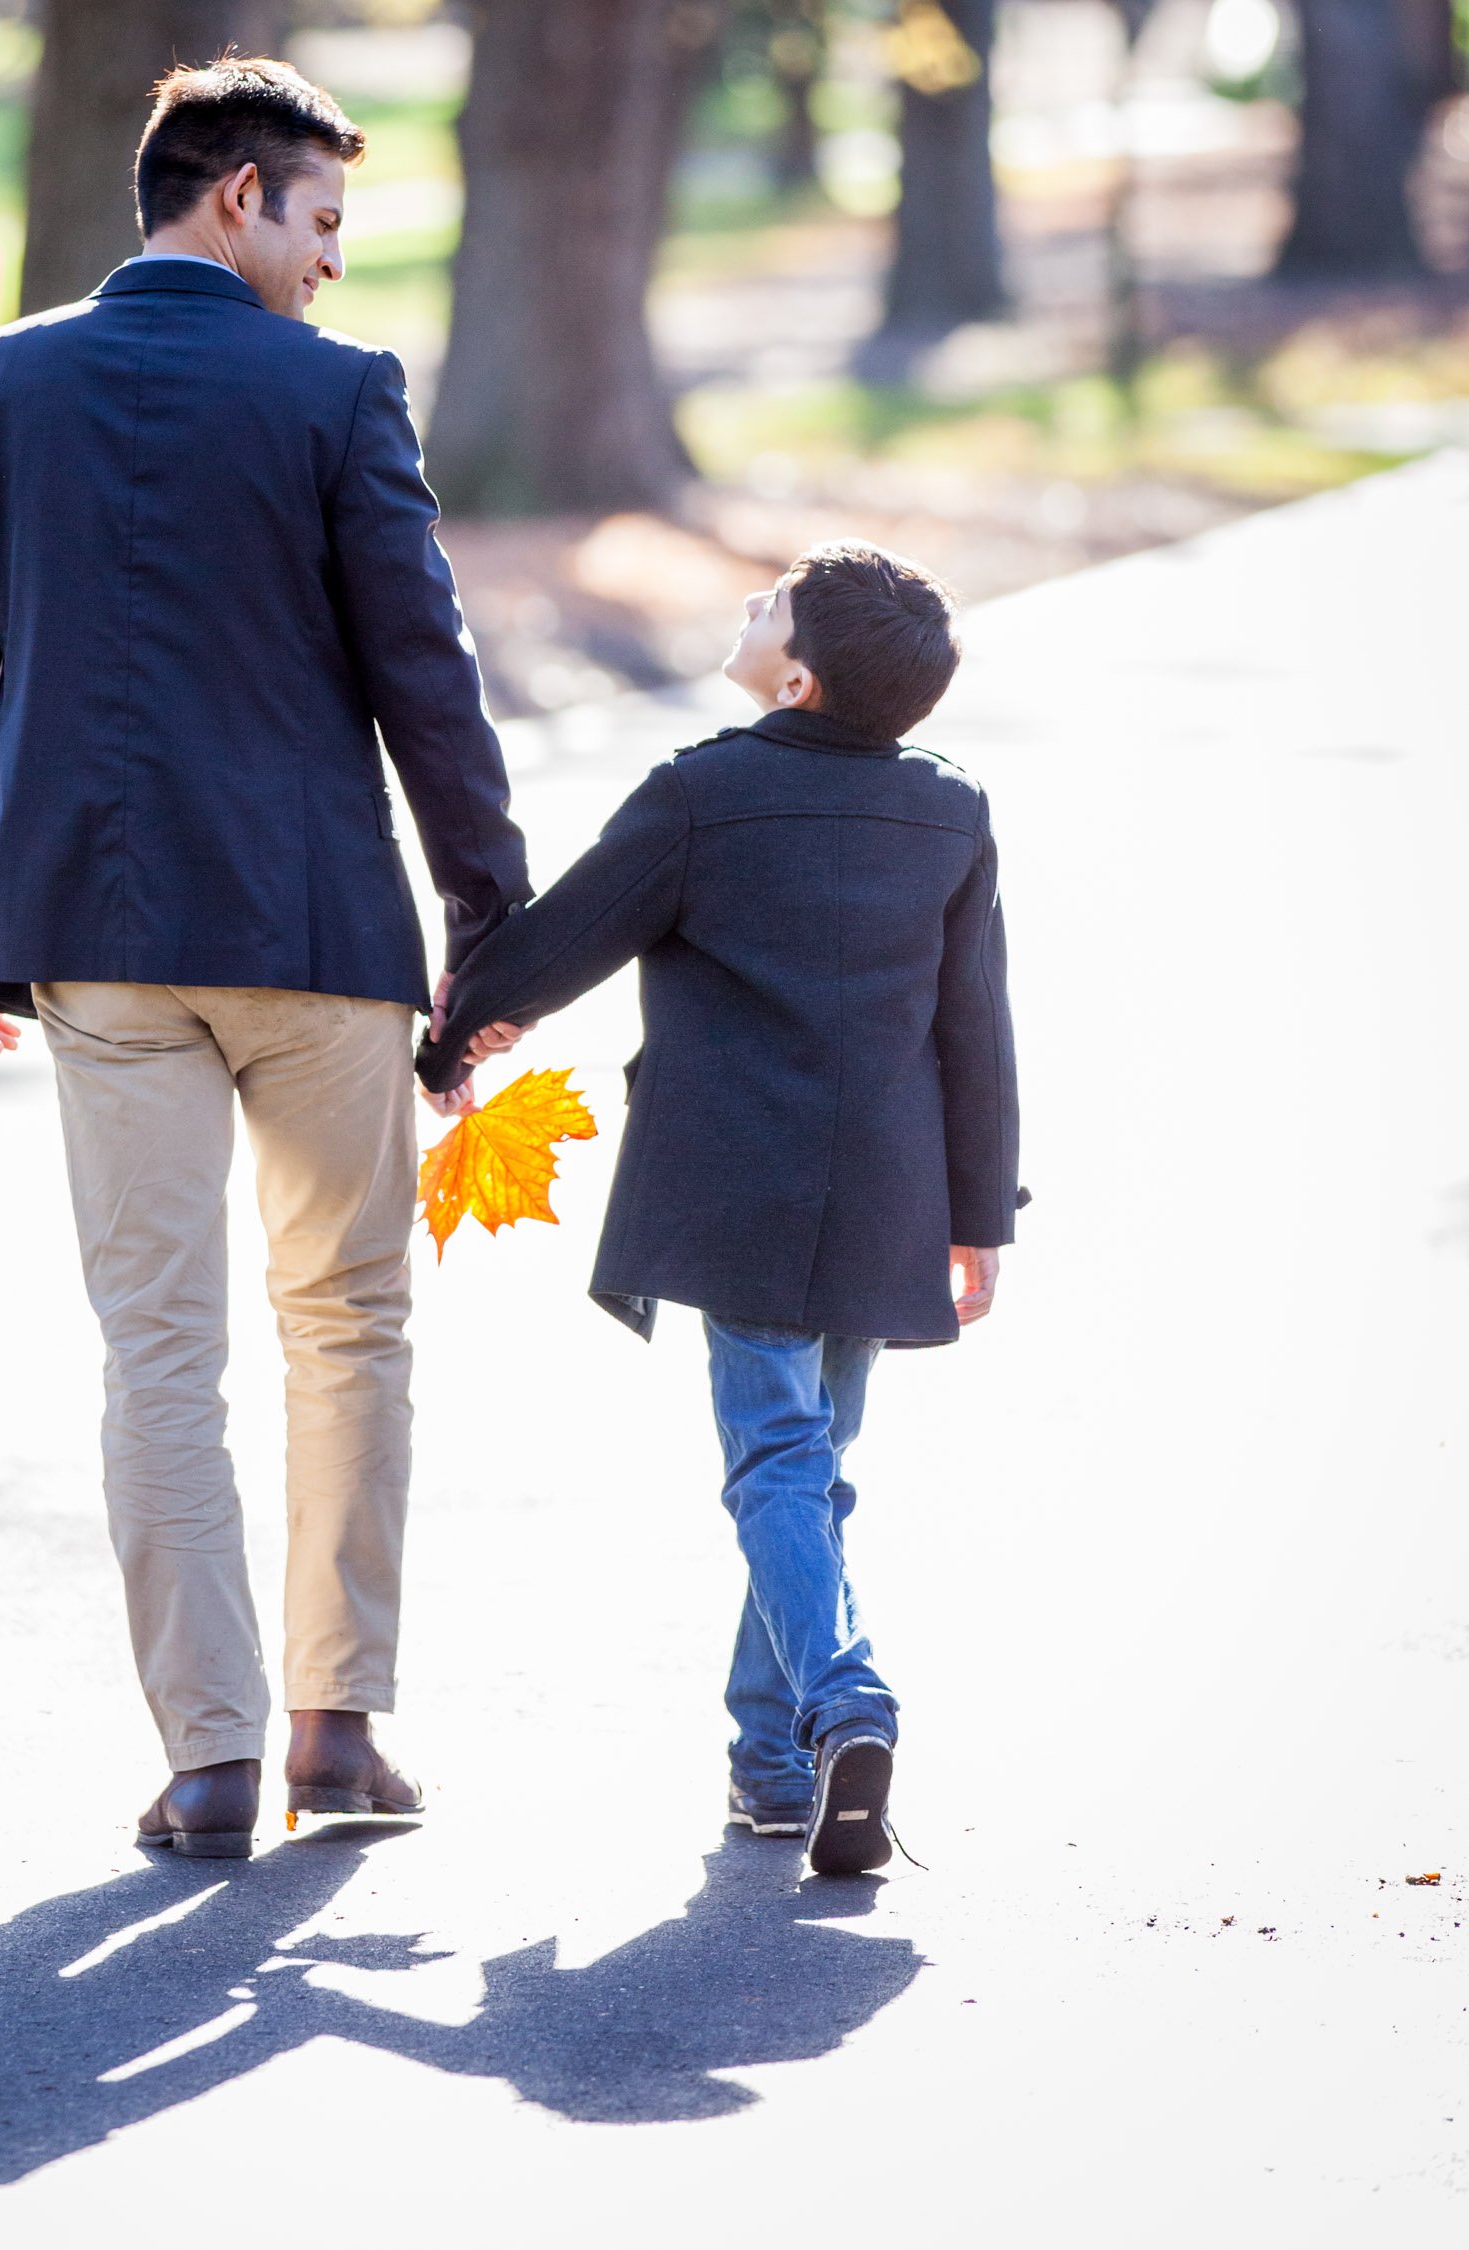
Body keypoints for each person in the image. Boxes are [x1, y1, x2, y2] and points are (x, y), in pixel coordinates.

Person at [0, 59, 529, 1858]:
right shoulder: (335, 396)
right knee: (347, 1324)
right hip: (315, 928)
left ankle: (210, 1756)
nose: (331, 262)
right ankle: (338, 1726)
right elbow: (429, 677)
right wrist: (489, 924)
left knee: (155, 1345)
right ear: (235, 196)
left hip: (88, 931)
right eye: (320, 219)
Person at [418, 541, 1022, 1876]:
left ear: (794, 676)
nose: (747, 606)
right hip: (884, 1190)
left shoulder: (702, 794)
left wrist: (449, 1044)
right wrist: (978, 1212)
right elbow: (975, 1031)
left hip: (738, 1186)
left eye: (771, 606)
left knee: (775, 1465)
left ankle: (844, 1700)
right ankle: (772, 1767)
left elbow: (561, 939)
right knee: (807, 1474)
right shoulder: (949, 811)